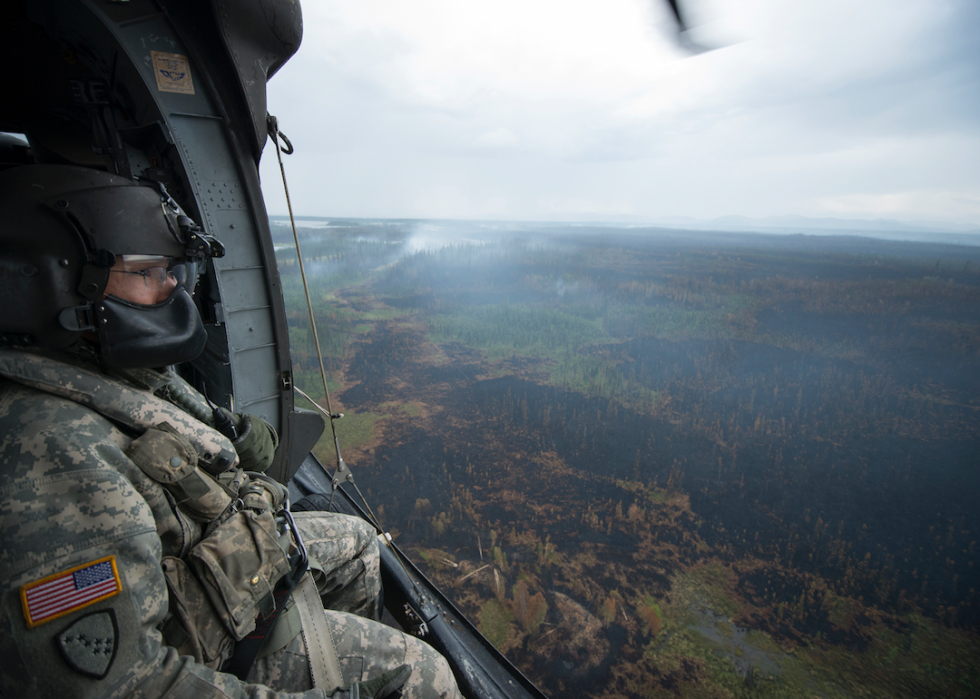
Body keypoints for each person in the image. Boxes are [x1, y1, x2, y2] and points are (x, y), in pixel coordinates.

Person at [0, 164, 461, 699]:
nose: (172, 286)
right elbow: (130, 686)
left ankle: (324, 651)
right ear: (48, 281)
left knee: (358, 543)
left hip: (218, 571)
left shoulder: (101, 372)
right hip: (199, 643)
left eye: (171, 270)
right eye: (149, 272)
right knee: (422, 676)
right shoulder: (49, 455)